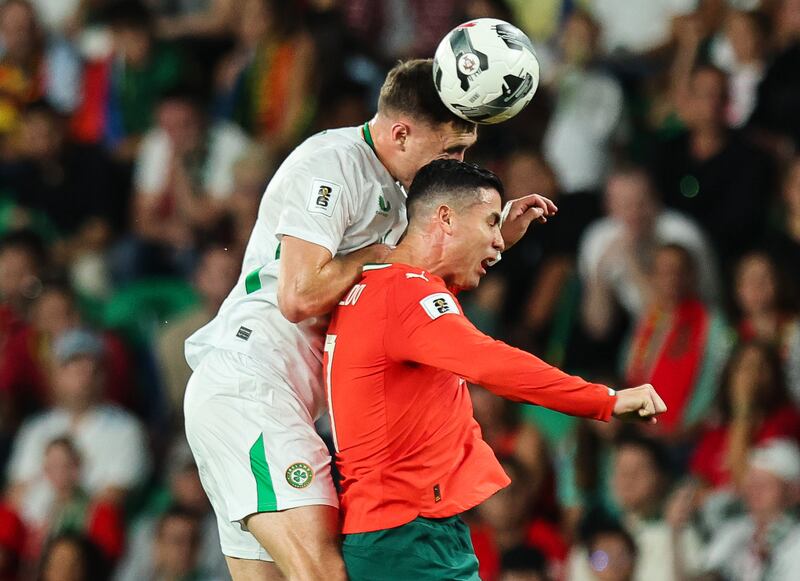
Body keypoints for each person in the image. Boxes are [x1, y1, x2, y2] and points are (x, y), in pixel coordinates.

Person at [183, 58, 552, 581]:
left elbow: (405, 282)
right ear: (401, 134)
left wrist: (490, 237)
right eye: (451, 150)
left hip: (281, 402)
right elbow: (299, 295)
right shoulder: (333, 165)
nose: (458, 162)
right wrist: (375, 254)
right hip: (253, 387)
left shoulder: (401, 191)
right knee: (325, 574)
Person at [325, 159, 667, 580]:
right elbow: (492, 363)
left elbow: (427, 304)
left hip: (403, 530)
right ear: (445, 218)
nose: (497, 241)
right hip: (406, 537)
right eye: (489, 223)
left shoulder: (382, 289)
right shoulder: (406, 299)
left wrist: (495, 238)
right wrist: (605, 400)